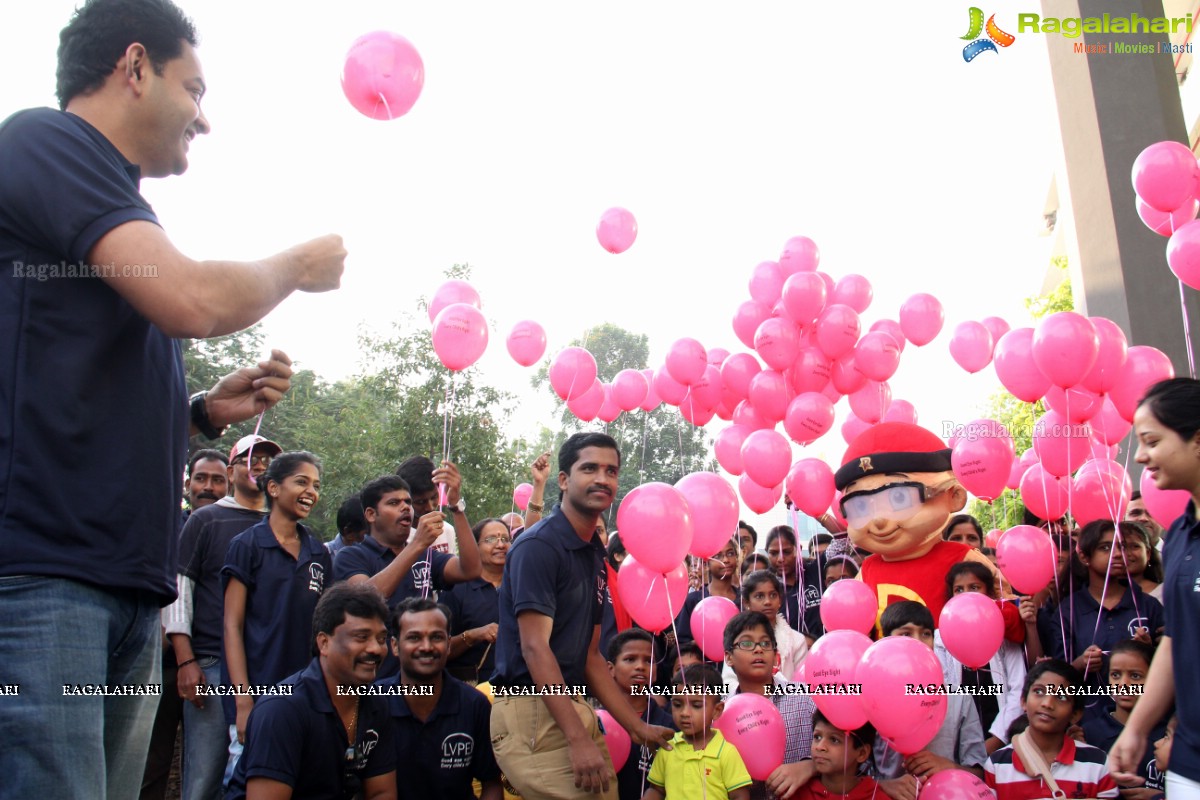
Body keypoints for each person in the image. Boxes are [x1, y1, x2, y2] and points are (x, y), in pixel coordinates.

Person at [0, 0, 346, 792]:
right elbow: (191, 297)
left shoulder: (111, 205)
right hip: (46, 578)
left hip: (124, 586)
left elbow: (77, 387)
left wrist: (201, 414)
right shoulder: (45, 143)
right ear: (132, 67)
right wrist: (295, 267)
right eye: (193, 89)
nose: (204, 119)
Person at [490, 432, 674, 800]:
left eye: (611, 471)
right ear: (563, 480)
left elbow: (591, 657)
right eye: (589, 468)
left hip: (570, 704)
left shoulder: (594, 555)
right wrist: (577, 738)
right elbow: (534, 648)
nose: (603, 479)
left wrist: (637, 727)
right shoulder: (539, 545)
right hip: (531, 710)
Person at [164, 435, 279, 800]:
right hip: (212, 663)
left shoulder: (286, 526)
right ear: (231, 472)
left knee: (258, 773)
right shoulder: (206, 520)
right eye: (251, 459)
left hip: (270, 668)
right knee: (204, 776)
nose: (259, 465)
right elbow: (181, 589)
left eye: (267, 460)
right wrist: (186, 659)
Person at [1110, 379, 1200, 796]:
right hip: (1188, 759)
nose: (1141, 455)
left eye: (1151, 440)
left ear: (1196, 439)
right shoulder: (1181, 532)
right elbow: (1177, 640)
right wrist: (1138, 729)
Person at [225, 582, 396, 800]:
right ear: (324, 643)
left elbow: (382, 792)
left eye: (381, 639)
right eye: (361, 637)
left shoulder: (375, 705)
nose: (375, 648)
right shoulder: (282, 710)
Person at [222, 452, 332, 766]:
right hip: (256, 693)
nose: (311, 491)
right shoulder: (247, 545)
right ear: (273, 488)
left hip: (304, 695)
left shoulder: (318, 553)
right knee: (247, 778)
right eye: (302, 482)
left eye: (316, 485)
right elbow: (232, 624)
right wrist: (243, 700)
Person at [833, 423, 995, 628]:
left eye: (899, 498)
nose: (879, 520)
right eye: (860, 506)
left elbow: (1000, 605)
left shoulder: (962, 558)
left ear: (954, 496)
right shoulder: (868, 568)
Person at [143, 447, 231, 800]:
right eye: (201, 478)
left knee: (209, 764)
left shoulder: (234, 530)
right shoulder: (163, 527)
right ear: (187, 483)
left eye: (217, 480)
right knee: (150, 757)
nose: (208, 487)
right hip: (157, 665)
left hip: (211, 661)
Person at [334, 475, 479, 677]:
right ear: (370, 514)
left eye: (408, 502)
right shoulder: (352, 556)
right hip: (377, 683)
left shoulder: (425, 556)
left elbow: (470, 569)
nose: (405, 508)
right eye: (394, 503)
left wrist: (456, 507)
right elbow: (366, 600)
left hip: (424, 681)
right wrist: (417, 544)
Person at [1032, 520, 1162, 712]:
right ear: (1084, 557)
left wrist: (1147, 651)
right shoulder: (1068, 611)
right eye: (1106, 547)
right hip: (1088, 719)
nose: (1118, 554)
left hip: (1143, 717)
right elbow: (1056, 672)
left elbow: (1170, 665)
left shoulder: (1148, 606)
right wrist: (1080, 664)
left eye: (1122, 547)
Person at [379, 597, 502, 800]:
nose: (426, 646)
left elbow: (491, 783)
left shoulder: (474, 704)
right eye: (414, 638)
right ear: (394, 645)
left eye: (436, 637)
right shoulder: (374, 703)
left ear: (449, 644)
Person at [872, 602, 987, 795]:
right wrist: (883, 785)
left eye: (926, 634)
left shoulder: (957, 697)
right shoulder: (870, 695)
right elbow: (848, 770)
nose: (918, 641)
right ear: (886, 640)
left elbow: (981, 772)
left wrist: (948, 766)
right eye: (906, 634)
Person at [984, 660, 1118, 800]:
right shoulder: (997, 765)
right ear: (1023, 700)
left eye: (1061, 696)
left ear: (1075, 714)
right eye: (1039, 691)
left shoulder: (1098, 764)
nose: (1047, 703)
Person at [723, 610, 815, 800]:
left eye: (765, 643)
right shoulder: (721, 715)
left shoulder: (806, 698)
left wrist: (810, 766)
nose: (758, 649)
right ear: (728, 657)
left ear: (775, 655)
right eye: (747, 643)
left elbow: (844, 753)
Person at [937, 561, 1026, 755]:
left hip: (1001, 740)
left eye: (974, 587)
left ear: (990, 593)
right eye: (959, 589)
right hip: (957, 742)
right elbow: (944, 692)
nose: (966, 594)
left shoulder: (1004, 633)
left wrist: (997, 739)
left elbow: (1018, 687)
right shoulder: (940, 638)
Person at [640, 664, 751, 800]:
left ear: (717, 710)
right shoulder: (667, 748)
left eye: (696, 705)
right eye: (678, 704)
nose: (685, 713)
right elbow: (656, 790)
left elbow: (740, 795)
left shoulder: (726, 753)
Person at [1081, 640, 1167, 799]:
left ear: (1155, 679)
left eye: (1135, 676)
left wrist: (1161, 796)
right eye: (1116, 675)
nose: (1124, 684)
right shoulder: (1089, 733)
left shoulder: (1168, 735)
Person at [603, 629, 676, 800]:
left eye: (649, 661)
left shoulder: (669, 726)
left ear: (656, 671)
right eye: (630, 659)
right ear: (610, 669)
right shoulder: (598, 721)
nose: (640, 667)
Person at [443, 518, 508, 683]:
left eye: (505, 539)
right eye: (491, 539)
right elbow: (438, 648)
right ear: (475, 547)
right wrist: (472, 635)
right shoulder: (456, 590)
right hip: (469, 689)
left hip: (515, 693)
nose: (500, 545)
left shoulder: (521, 586)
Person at [727, 570, 808, 684]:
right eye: (759, 596)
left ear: (779, 600)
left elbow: (801, 685)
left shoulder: (797, 640)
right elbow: (729, 682)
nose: (767, 602)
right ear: (746, 603)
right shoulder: (736, 638)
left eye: (773, 595)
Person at [794, 712, 890, 800]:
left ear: (862, 753)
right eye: (817, 737)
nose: (820, 747)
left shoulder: (877, 796)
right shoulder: (797, 794)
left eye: (834, 740)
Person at [675, 538, 740, 650]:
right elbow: (682, 643)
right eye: (717, 556)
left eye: (730, 553)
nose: (725, 560)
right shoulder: (693, 601)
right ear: (706, 564)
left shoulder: (744, 599)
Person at [185, 449, 232, 516]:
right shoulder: (169, 524)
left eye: (218, 480)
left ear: (229, 488)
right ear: (188, 485)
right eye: (200, 479)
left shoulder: (242, 526)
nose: (208, 487)